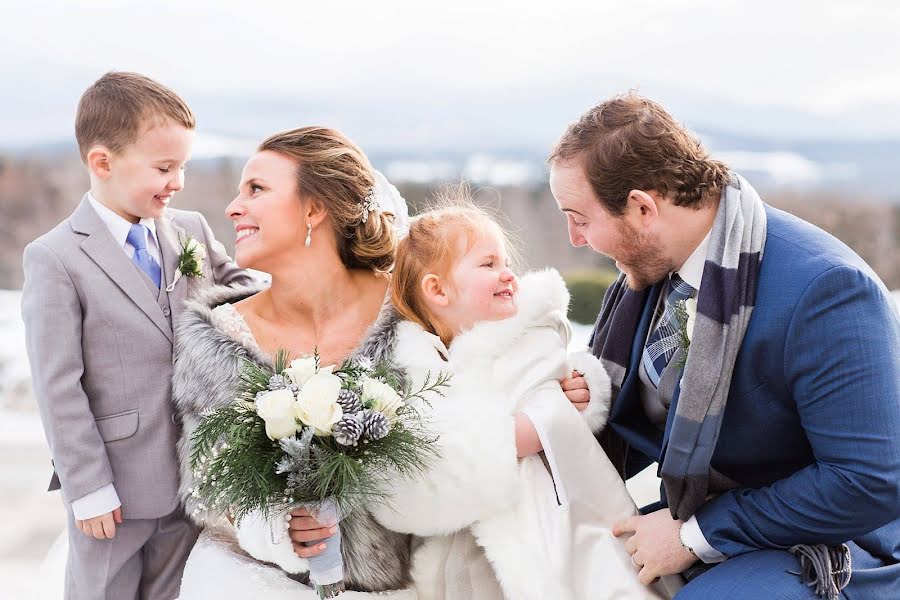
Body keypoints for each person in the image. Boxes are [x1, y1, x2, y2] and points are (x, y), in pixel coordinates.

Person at [172, 127, 591, 598]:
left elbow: (498, 354)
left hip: (422, 574)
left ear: (314, 209)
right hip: (262, 579)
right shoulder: (216, 338)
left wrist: (555, 390)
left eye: (256, 190)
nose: (233, 207)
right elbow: (209, 485)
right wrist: (278, 531)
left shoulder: (414, 300)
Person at [547, 92, 900, 599]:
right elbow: (638, 415)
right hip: (705, 512)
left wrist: (695, 536)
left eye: (579, 217)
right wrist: (578, 401)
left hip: (834, 543)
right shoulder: (656, 276)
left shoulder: (827, 291)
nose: (575, 238)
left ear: (642, 207)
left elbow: (867, 483)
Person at [371, 195, 682, 599]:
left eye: (506, 263)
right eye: (488, 264)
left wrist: (583, 392)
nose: (507, 275)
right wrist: (523, 431)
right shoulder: (417, 371)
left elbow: (558, 382)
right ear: (438, 290)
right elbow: (428, 457)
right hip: (470, 547)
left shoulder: (531, 335)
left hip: (558, 518)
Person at [21, 71, 254, 599]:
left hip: (192, 476)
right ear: (102, 163)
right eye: (164, 168)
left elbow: (240, 289)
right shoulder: (56, 258)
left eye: (184, 167)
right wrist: (89, 488)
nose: (178, 182)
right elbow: (59, 387)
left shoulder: (189, 229)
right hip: (116, 487)